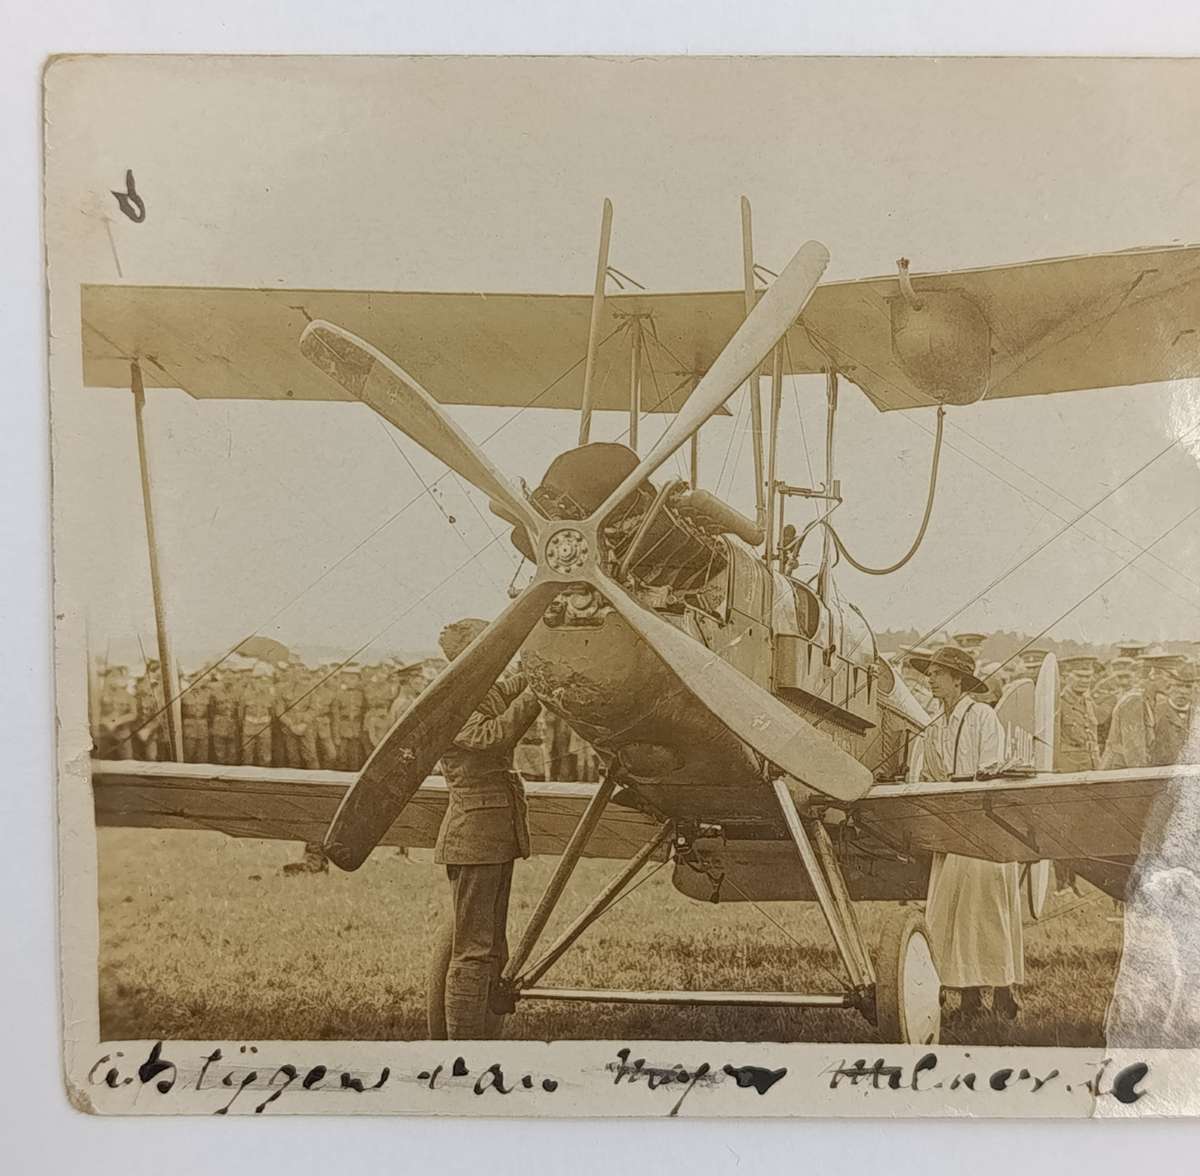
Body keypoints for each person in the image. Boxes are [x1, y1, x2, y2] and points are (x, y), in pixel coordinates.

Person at [433, 617, 542, 1040]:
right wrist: (539, 692)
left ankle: (479, 1037)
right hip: (474, 838)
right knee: (474, 951)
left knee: (492, 946)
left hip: (492, 835)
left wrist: (545, 666)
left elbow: (512, 685)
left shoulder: (480, 690)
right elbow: (493, 734)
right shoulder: (452, 702)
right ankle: (461, 1050)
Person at [912, 644, 1024, 1020]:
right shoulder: (934, 723)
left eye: (938, 673)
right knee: (949, 913)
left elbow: (990, 770)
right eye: (928, 673)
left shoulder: (981, 716)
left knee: (985, 913)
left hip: (982, 825)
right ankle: (967, 996)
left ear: (958, 680)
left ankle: (1005, 990)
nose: (930, 679)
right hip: (950, 823)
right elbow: (928, 773)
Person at [1100, 649, 1180, 770]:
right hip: (1118, 771)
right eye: (1169, 676)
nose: (1173, 682)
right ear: (1153, 675)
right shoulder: (1134, 701)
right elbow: (1135, 754)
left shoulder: (1149, 699)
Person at [1056, 655, 1100, 771]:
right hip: (1068, 765)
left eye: (1088, 676)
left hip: (1091, 762)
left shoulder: (1088, 702)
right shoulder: (1058, 703)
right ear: (1066, 677)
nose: (1085, 681)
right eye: (1079, 676)